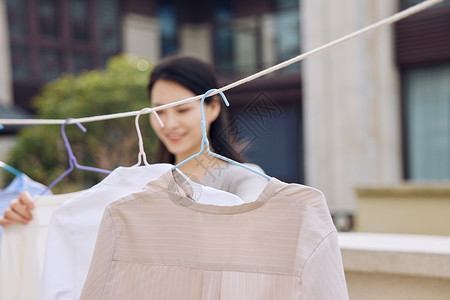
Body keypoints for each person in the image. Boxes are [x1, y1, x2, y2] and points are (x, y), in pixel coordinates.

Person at [0, 55, 269, 226]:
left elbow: (261, 219)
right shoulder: (140, 182)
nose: (169, 123)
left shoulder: (241, 179)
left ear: (213, 108)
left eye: (183, 109)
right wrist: (37, 215)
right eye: (159, 111)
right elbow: (84, 223)